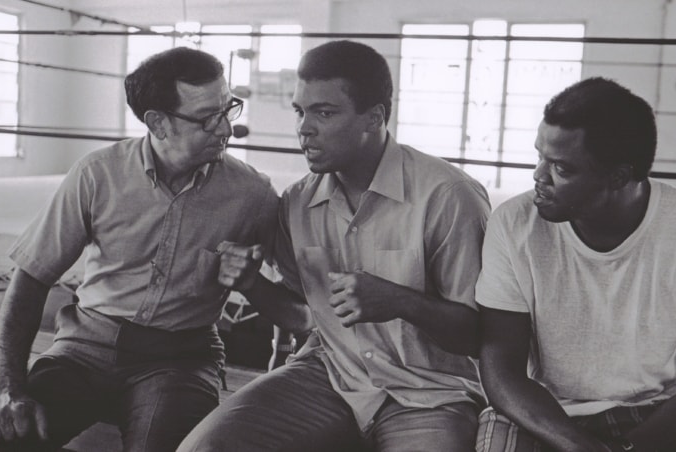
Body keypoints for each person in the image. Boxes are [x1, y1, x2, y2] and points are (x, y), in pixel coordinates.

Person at [178, 39, 490, 452]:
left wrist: (402, 301)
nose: (304, 128)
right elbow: (303, 315)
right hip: (329, 375)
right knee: (206, 448)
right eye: (300, 111)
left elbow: (482, 337)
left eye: (324, 113)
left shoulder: (448, 196)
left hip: (428, 394)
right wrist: (253, 284)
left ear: (373, 117)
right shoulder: (299, 203)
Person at [0, 47, 298, 451]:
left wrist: (275, 339)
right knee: (10, 436)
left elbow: (296, 304)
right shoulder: (97, 175)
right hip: (82, 351)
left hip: (180, 362)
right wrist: (8, 387)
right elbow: (30, 279)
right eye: (209, 118)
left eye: (229, 109)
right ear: (158, 123)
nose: (227, 130)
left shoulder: (251, 194)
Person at [475, 77, 676, 452]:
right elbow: (501, 371)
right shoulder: (513, 223)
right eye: (540, 156)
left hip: (658, 411)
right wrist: (579, 446)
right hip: (543, 411)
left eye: (561, 168)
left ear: (618, 177)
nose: (538, 176)